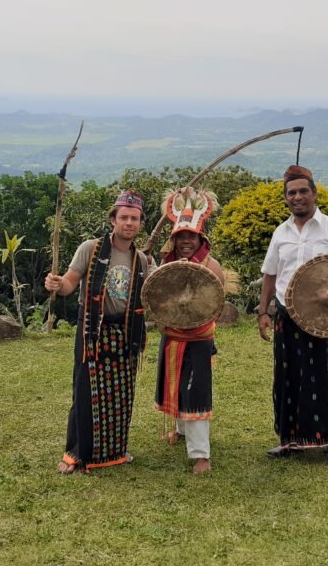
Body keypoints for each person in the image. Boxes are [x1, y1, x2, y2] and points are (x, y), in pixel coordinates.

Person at [257, 165, 328, 463]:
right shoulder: (281, 233)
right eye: (292, 193)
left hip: (324, 320)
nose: (298, 197)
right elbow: (270, 275)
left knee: (327, 377)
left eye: (304, 191)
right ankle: (289, 441)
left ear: (315, 194)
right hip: (286, 319)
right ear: (286, 198)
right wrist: (263, 312)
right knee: (288, 378)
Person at [44, 190, 151, 474]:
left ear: (140, 223)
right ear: (112, 220)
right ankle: (76, 454)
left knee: (120, 393)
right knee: (85, 390)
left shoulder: (141, 260)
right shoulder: (90, 249)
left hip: (125, 331)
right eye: (124, 217)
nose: (129, 223)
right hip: (92, 328)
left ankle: (115, 451)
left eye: (135, 218)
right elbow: (70, 282)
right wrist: (57, 285)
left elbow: (154, 295)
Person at [153, 188, 225, 475]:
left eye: (191, 237)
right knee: (177, 387)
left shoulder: (211, 266)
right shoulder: (165, 265)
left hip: (198, 340)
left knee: (195, 393)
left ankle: (201, 455)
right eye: (181, 236)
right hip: (172, 337)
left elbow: (216, 306)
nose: (185, 241)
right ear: (174, 238)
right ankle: (180, 431)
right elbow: (157, 300)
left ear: (200, 238)